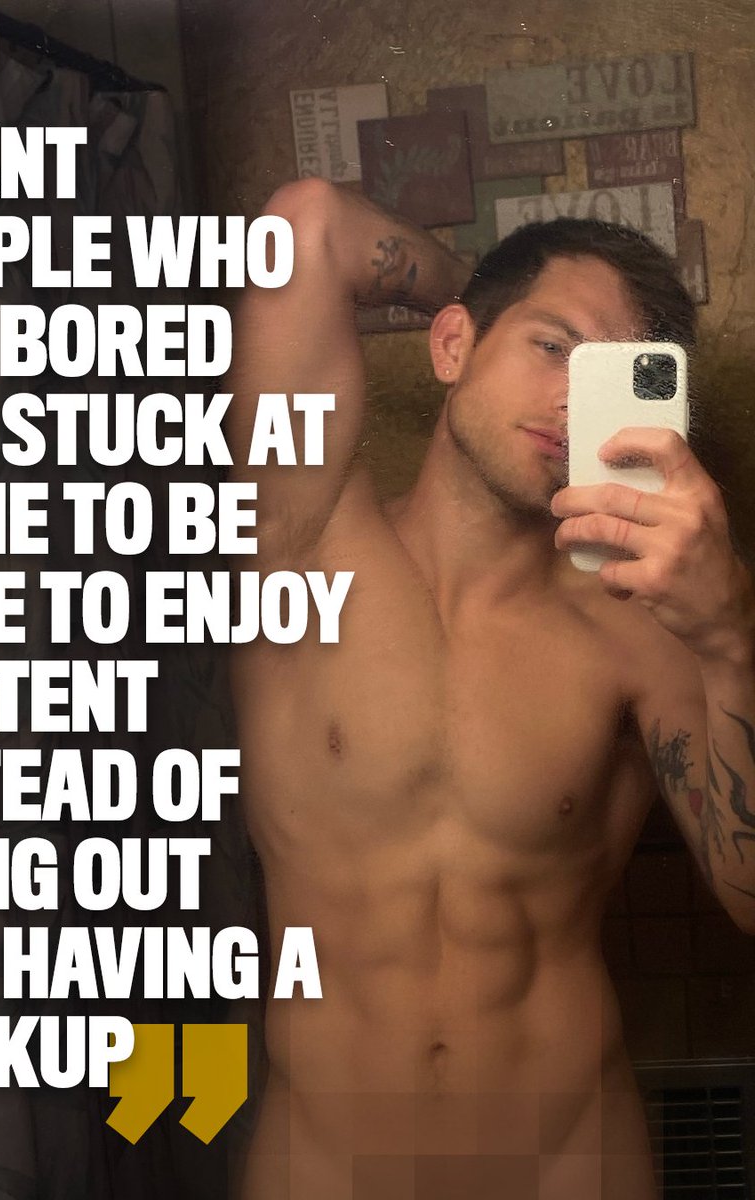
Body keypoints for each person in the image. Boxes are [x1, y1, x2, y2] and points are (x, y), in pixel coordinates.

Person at [225, 178, 755, 1200]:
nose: (570, 402)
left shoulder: (645, 624)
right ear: (453, 346)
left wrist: (730, 635)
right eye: (552, 348)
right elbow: (307, 226)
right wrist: (474, 289)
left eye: (612, 379)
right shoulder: (297, 542)